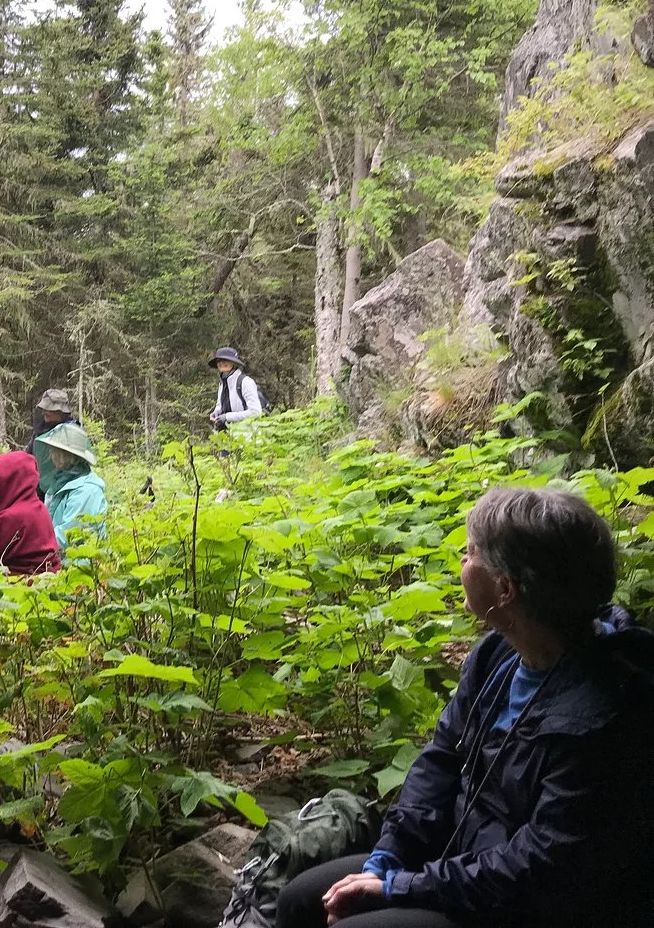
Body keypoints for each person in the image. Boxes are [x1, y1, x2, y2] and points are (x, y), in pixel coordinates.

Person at [275, 486, 654, 928]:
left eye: (470, 553)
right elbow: (440, 761)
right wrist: (387, 858)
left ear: (506, 588)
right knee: (301, 900)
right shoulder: (498, 654)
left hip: (531, 903)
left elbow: (543, 862)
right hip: (463, 856)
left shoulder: (608, 711)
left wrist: (400, 888)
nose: (462, 561)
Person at [0, 451, 60, 575]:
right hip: (46, 584)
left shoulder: (11, 517)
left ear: (11, 480)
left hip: (23, 588)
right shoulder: (37, 506)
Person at [33, 422, 107, 551]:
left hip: (81, 564)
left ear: (67, 455)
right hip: (59, 559)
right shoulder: (60, 482)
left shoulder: (86, 490)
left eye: (54, 451)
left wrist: (33, 544)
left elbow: (70, 533)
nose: (51, 456)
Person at [25, 387, 80, 497]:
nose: (44, 412)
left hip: (63, 487)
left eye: (49, 409)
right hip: (39, 487)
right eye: (44, 408)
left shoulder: (71, 431)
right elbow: (29, 455)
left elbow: (77, 464)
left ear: (61, 412)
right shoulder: (40, 430)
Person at [208, 346, 265, 432]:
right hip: (226, 436)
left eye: (226, 360)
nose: (222, 363)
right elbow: (220, 405)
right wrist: (216, 413)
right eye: (219, 360)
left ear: (233, 363)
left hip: (247, 436)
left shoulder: (245, 382)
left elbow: (255, 412)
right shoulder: (222, 383)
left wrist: (227, 417)